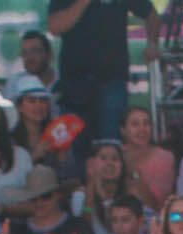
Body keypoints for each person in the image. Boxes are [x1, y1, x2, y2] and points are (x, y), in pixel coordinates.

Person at [48, 0, 157, 144]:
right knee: (75, 146)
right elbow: (55, 27)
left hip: (112, 81)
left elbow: (151, 14)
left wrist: (152, 44)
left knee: (112, 144)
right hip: (74, 83)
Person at [119, 105, 175, 208]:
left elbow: (156, 205)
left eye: (146, 123)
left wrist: (135, 174)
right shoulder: (115, 155)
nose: (142, 129)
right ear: (123, 130)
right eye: (135, 124)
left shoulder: (164, 157)